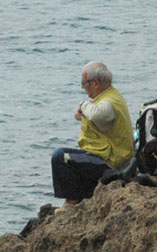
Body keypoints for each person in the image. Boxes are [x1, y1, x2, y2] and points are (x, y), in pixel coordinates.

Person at [51, 61, 134, 209]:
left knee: (60, 157)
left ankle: (72, 202)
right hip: (106, 156)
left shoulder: (109, 101)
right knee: (66, 153)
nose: (83, 87)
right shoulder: (111, 96)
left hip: (111, 162)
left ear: (95, 83)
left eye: (83, 83)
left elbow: (99, 114)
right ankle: (84, 194)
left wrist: (83, 105)